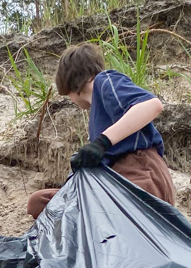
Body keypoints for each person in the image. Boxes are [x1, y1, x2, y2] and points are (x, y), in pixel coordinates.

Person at [27, 43, 176, 219]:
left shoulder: (105, 81)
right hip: (115, 182)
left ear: (71, 86)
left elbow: (152, 105)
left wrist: (102, 142)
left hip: (141, 175)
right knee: (40, 202)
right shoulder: (97, 113)